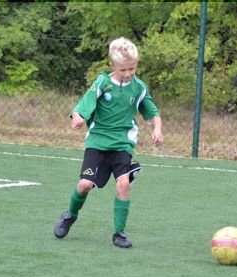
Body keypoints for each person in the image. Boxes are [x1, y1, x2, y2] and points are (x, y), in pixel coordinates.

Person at [54, 37, 163, 248]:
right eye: (123, 70)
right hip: (97, 142)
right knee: (84, 185)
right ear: (112, 65)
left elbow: (153, 113)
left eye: (132, 68)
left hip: (123, 144)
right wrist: (77, 117)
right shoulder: (102, 83)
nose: (128, 73)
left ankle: (119, 234)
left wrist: (157, 129)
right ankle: (70, 215)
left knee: (123, 184)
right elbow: (82, 106)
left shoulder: (139, 88)